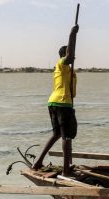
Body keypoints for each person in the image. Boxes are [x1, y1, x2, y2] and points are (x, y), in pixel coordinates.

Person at [32, 22, 80, 176]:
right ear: (63, 55)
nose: (73, 58)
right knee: (66, 136)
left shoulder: (69, 72)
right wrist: (72, 35)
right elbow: (70, 56)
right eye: (69, 54)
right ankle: (66, 171)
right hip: (61, 103)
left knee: (58, 134)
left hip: (56, 103)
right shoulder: (61, 65)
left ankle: (38, 162)